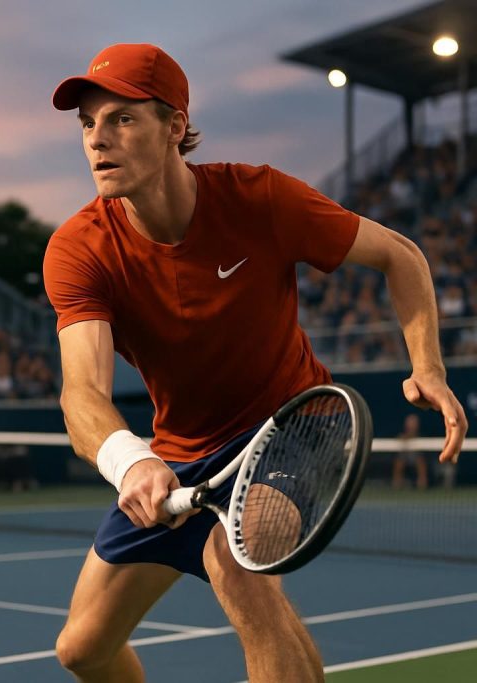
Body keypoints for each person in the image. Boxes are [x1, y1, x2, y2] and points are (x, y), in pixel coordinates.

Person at [43, 44, 468, 683]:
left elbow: (401, 255)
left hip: (294, 425)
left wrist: (428, 367)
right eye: (87, 124)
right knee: (81, 649)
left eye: (122, 119)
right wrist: (131, 460)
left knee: (231, 556)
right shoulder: (80, 249)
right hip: (178, 453)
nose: (97, 140)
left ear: (175, 127)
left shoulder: (261, 197)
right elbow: (82, 397)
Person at [392, 414, 428, 490]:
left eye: (414, 424)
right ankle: (397, 486)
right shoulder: (401, 436)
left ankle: (422, 486)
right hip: (404, 456)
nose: (412, 426)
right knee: (399, 462)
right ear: (406, 425)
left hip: (416, 457)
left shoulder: (420, 437)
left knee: (421, 462)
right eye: (410, 423)